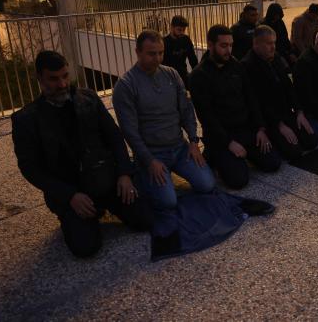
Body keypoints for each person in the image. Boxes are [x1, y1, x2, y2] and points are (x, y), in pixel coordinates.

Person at [12, 51, 153, 258]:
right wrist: (69, 196)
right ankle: (77, 216)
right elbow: (30, 168)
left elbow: (114, 136)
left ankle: (103, 208)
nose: (62, 84)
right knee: (86, 248)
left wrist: (124, 174)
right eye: (54, 78)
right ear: (40, 79)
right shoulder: (26, 119)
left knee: (147, 220)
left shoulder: (88, 99)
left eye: (65, 76)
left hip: (107, 181)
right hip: (72, 193)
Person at [113, 30, 216, 209]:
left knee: (207, 185)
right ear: (137, 52)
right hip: (152, 154)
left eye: (161, 53)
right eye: (152, 54)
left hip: (179, 148)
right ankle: (141, 173)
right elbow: (130, 131)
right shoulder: (126, 85)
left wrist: (193, 141)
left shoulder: (171, 74)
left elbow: (186, 110)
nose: (158, 58)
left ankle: (163, 175)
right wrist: (149, 160)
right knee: (168, 202)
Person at [188, 25, 281, 189]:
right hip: (221, 136)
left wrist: (260, 128)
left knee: (273, 163)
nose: (228, 50)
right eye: (223, 46)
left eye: (230, 45)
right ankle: (214, 155)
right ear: (210, 45)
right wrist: (229, 143)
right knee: (239, 180)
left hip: (245, 129)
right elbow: (207, 116)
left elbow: (251, 98)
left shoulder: (236, 66)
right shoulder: (198, 76)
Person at [242, 26, 318, 161]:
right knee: (294, 153)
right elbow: (258, 101)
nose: (273, 47)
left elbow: (288, 86)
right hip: (269, 119)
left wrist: (299, 112)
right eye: (269, 43)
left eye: (274, 43)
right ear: (256, 44)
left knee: (312, 141)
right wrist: (279, 125)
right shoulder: (248, 66)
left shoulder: (275, 57)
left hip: (285, 112)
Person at [162, 15, 198, 87]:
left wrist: (197, 75)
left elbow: (193, 59)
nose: (182, 32)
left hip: (183, 75)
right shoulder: (164, 42)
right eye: (179, 30)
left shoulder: (186, 39)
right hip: (168, 77)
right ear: (172, 27)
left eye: (183, 30)